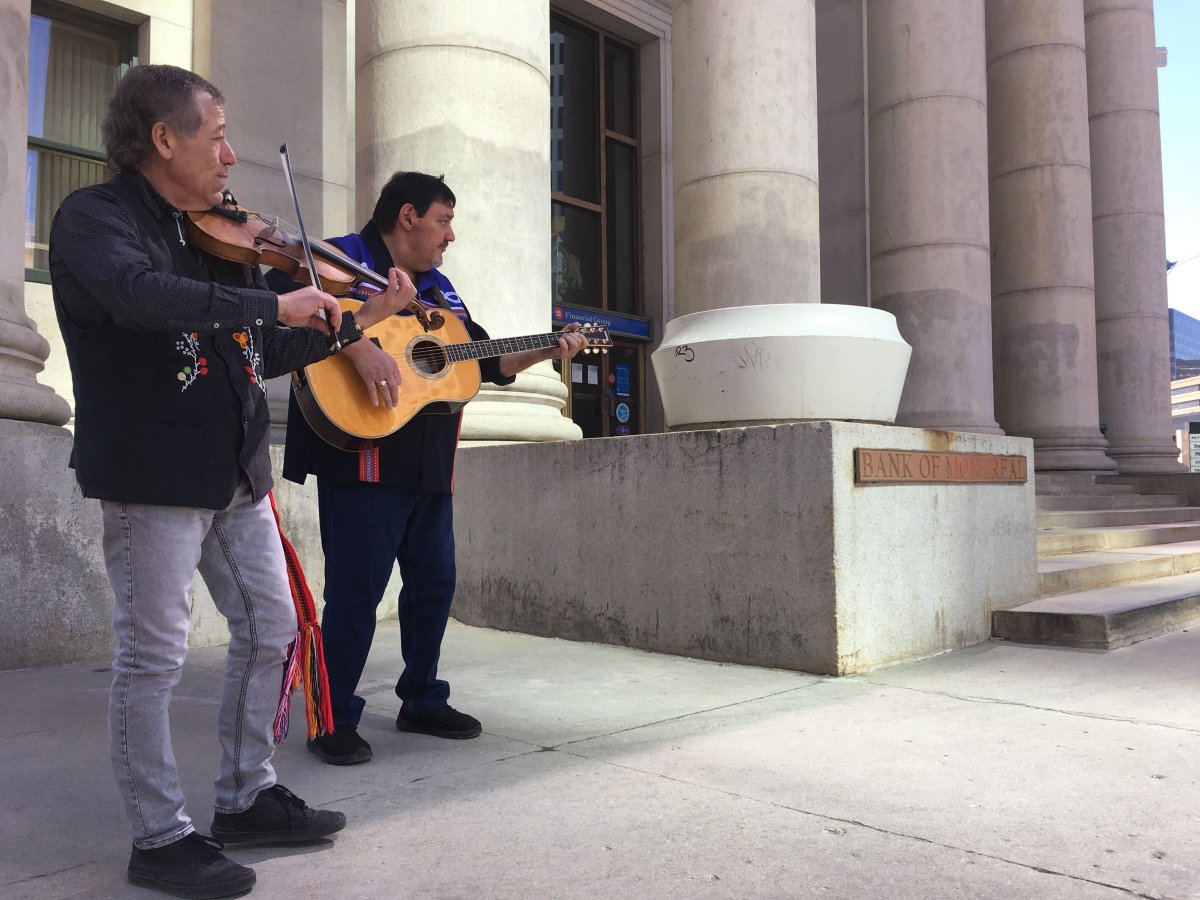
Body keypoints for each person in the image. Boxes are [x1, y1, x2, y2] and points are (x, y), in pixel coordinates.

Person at [48, 64, 417, 899]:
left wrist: (361, 320)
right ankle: (159, 836)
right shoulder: (94, 219)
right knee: (154, 658)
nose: (230, 154)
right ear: (163, 139)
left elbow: (264, 356)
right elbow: (139, 298)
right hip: (154, 469)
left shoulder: (224, 237)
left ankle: (246, 795)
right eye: (215, 135)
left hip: (235, 471)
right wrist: (274, 307)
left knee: (273, 628)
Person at [276, 171, 587, 766]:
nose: (450, 235)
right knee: (355, 594)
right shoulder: (339, 258)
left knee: (434, 585)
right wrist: (354, 341)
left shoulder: (441, 290)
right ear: (408, 216)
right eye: (443, 220)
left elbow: (485, 359)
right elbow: (282, 309)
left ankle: (420, 698)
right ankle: (331, 715)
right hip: (364, 457)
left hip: (429, 467)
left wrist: (549, 348)